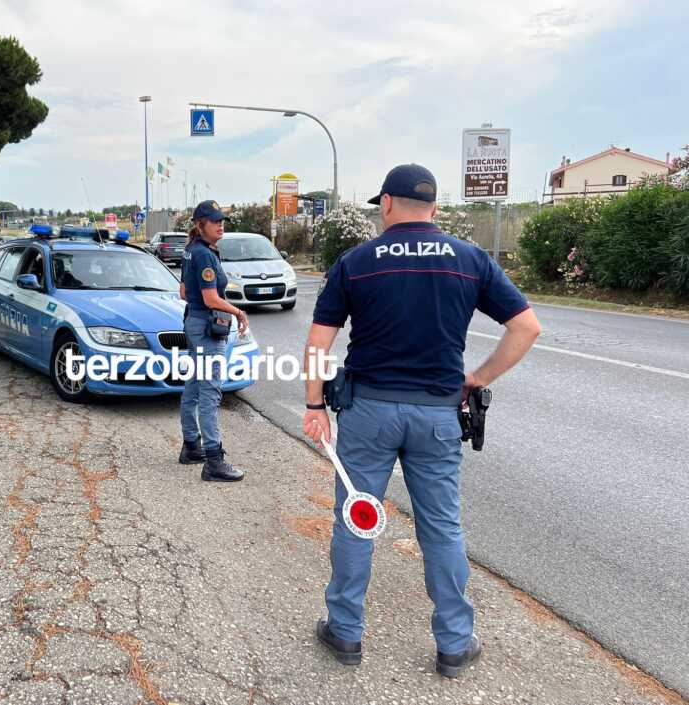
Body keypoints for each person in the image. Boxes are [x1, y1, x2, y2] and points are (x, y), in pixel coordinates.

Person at [302, 164, 541, 677]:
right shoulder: (470, 260)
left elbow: (319, 342)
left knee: (357, 518)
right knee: (441, 527)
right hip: (437, 415)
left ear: (387, 203)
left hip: (367, 412)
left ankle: (345, 632)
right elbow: (526, 327)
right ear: (433, 207)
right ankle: (453, 643)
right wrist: (476, 378)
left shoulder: (357, 262)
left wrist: (315, 406)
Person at [177, 200, 249, 481]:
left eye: (221, 221)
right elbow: (210, 298)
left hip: (194, 324)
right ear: (200, 225)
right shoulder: (205, 255)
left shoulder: (191, 251)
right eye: (214, 221)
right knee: (210, 392)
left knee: (194, 385)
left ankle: (191, 446)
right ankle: (214, 461)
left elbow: (184, 293)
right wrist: (238, 312)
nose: (220, 225)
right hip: (207, 329)